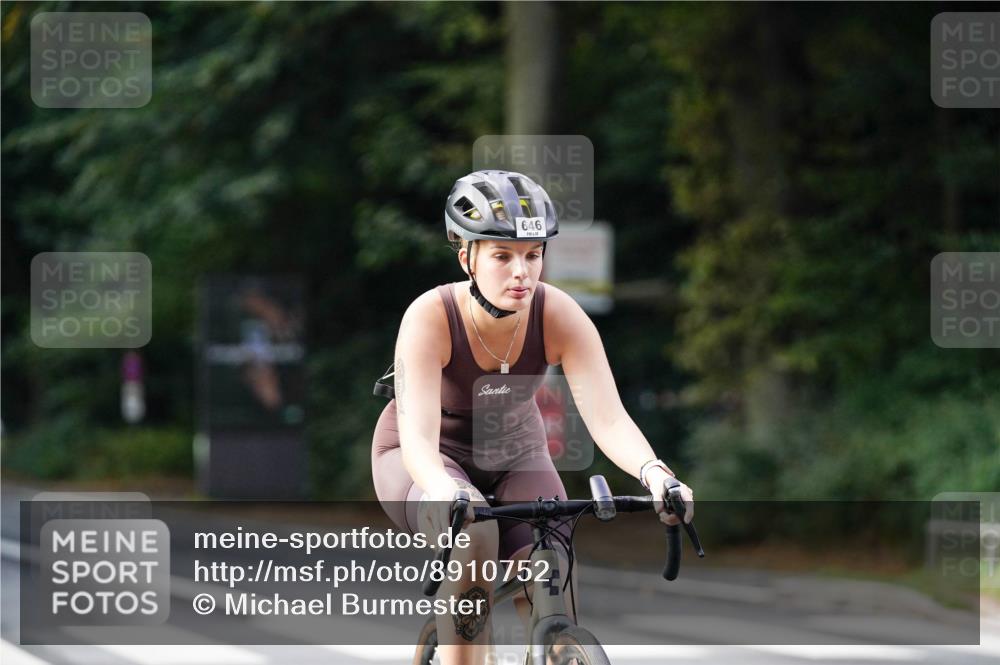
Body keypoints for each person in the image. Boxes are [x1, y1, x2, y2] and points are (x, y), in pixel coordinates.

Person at [371, 170, 695, 665]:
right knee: (475, 536)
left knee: (551, 559)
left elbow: (608, 419)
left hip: (516, 451)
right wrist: (446, 488)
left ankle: (554, 646)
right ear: (468, 258)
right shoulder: (430, 316)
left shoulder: (558, 314)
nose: (521, 272)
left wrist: (656, 474)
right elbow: (418, 440)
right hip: (426, 456)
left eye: (533, 254)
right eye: (502, 256)